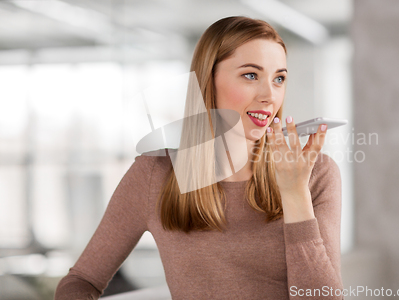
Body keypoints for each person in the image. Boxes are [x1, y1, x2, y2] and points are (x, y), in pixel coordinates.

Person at [54, 16, 344, 299]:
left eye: (279, 78)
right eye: (251, 75)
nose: (269, 95)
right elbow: (81, 280)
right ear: (208, 80)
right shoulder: (155, 172)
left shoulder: (316, 173)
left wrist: (295, 195)